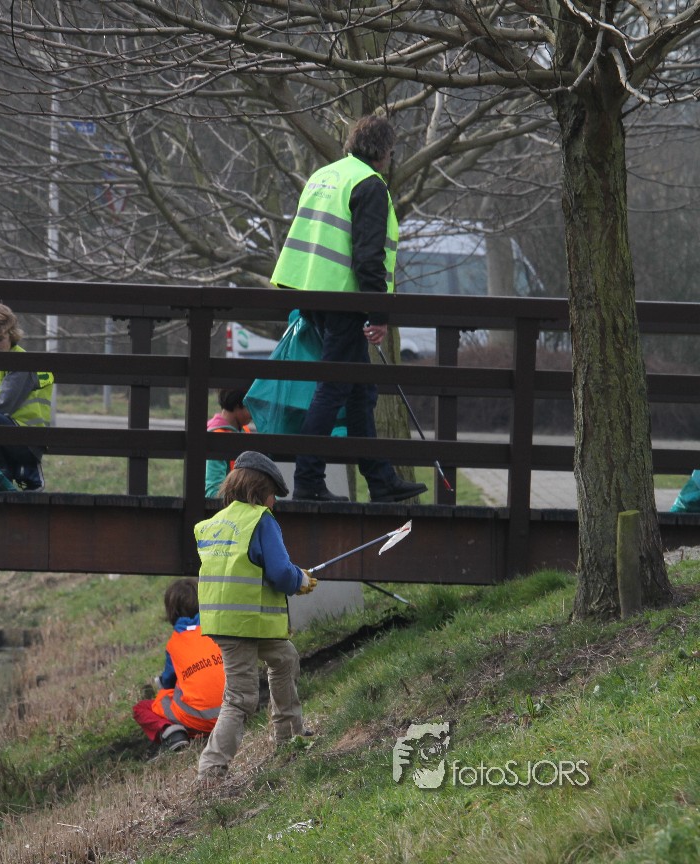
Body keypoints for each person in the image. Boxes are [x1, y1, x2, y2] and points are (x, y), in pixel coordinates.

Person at [270, 115, 426, 504]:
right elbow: (369, 257)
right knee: (335, 388)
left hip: (312, 293)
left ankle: (380, 479)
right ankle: (308, 479)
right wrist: (377, 313)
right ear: (384, 150)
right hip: (344, 299)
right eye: (392, 151)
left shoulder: (325, 176)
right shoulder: (369, 185)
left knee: (360, 391)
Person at [194, 451, 317, 786]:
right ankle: (211, 771)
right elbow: (279, 573)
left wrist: (294, 575)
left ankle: (290, 736)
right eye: (273, 494)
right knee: (240, 698)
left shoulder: (215, 523)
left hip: (229, 622)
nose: (274, 502)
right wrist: (299, 580)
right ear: (261, 491)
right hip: (245, 624)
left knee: (285, 658)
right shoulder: (260, 520)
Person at [0, 301, 54, 491]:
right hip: (3, 436)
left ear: (11, 335)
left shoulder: (20, 362)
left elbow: (2, 407)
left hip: (27, 441)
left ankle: (19, 470)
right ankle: (1, 474)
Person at [131, 578, 224, 753]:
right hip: (237, 710)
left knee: (142, 708)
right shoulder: (219, 627)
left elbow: (167, 682)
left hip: (201, 720)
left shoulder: (174, 644)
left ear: (171, 611)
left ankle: (172, 732)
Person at [205, 387, 252, 498]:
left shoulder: (245, 430)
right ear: (237, 406)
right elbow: (213, 491)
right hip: (228, 504)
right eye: (250, 406)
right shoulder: (216, 437)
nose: (254, 412)